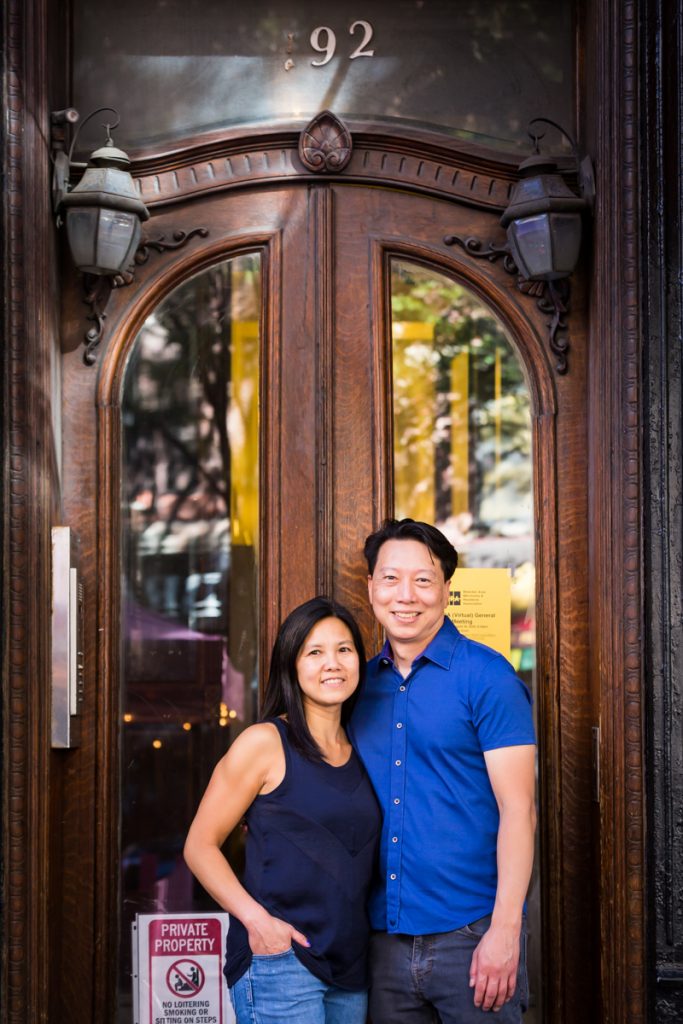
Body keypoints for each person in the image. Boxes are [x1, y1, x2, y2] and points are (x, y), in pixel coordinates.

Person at [348, 518, 537, 1023]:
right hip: (383, 939)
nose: (405, 595)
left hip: (471, 937)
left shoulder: (489, 677)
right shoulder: (355, 687)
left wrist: (505, 931)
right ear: (370, 587)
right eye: (390, 578)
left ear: (446, 591)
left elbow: (519, 810)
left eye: (423, 580)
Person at [184, 597, 381, 1024]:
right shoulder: (265, 742)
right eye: (315, 652)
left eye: (344, 649)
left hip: (350, 967)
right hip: (282, 962)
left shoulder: (364, 748)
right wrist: (258, 922)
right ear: (291, 665)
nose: (333, 663)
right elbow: (200, 846)